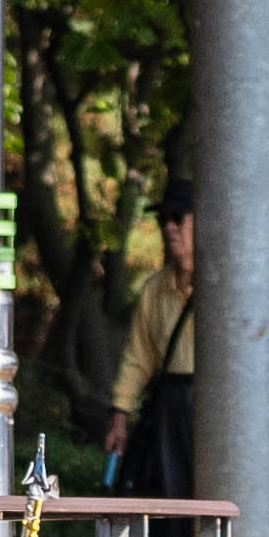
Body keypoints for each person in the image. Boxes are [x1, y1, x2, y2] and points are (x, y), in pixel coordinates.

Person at [102, 181, 199, 498]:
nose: (169, 228)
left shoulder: (226, 286)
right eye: (163, 220)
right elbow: (138, 357)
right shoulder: (155, 289)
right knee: (169, 498)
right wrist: (120, 414)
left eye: (178, 218)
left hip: (215, 405)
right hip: (170, 405)